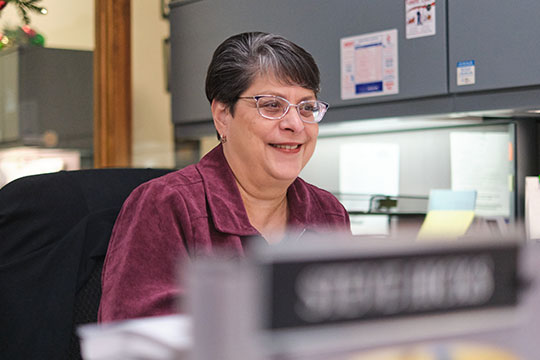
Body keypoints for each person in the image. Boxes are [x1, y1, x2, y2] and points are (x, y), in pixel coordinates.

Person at [98, 32, 351, 322]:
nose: (295, 124)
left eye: (306, 108)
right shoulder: (168, 205)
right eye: (271, 105)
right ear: (222, 116)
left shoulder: (329, 213)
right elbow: (138, 346)